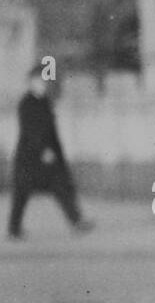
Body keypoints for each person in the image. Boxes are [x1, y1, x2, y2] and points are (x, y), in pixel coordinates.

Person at [8, 66, 93, 240]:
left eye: (44, 81)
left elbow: (51, 131)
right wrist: (43, 150)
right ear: (31, 82)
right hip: (30, 158)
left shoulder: (45, 101)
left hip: (49, 156)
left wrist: (57, 153)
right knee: (21, 195)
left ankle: (76, 221)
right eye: (39, 81)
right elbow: (30, 131)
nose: (43, 85)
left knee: (62, 187)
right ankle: (13, 229)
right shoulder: (26, 103)